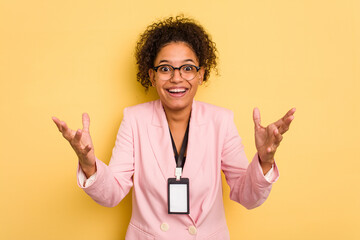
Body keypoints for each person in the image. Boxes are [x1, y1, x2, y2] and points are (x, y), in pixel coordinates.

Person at [52, 15, 295, 239]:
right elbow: (112, 194)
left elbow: (247, 196)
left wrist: (264, 161)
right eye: (165, 68)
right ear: (151, 75)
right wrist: (88, 164)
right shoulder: (134, 120)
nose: (176, 78)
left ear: (201, 74)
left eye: (188, 68)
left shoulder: (220, 121)